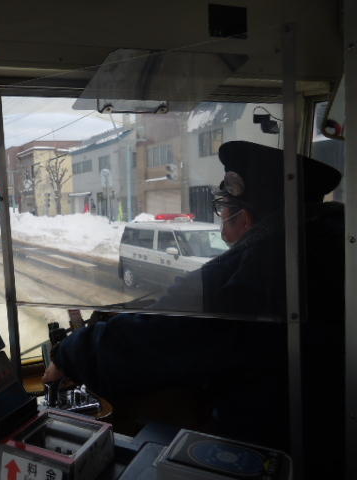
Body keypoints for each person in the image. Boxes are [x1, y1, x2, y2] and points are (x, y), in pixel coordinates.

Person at [42, 141, 344, 476]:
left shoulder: (254, 267)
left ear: (245, 216)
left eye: (224, 206)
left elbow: (164, 334)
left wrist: (72, 354)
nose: (222, 216)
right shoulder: (331, 240)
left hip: (277, 445)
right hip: (330, 431)